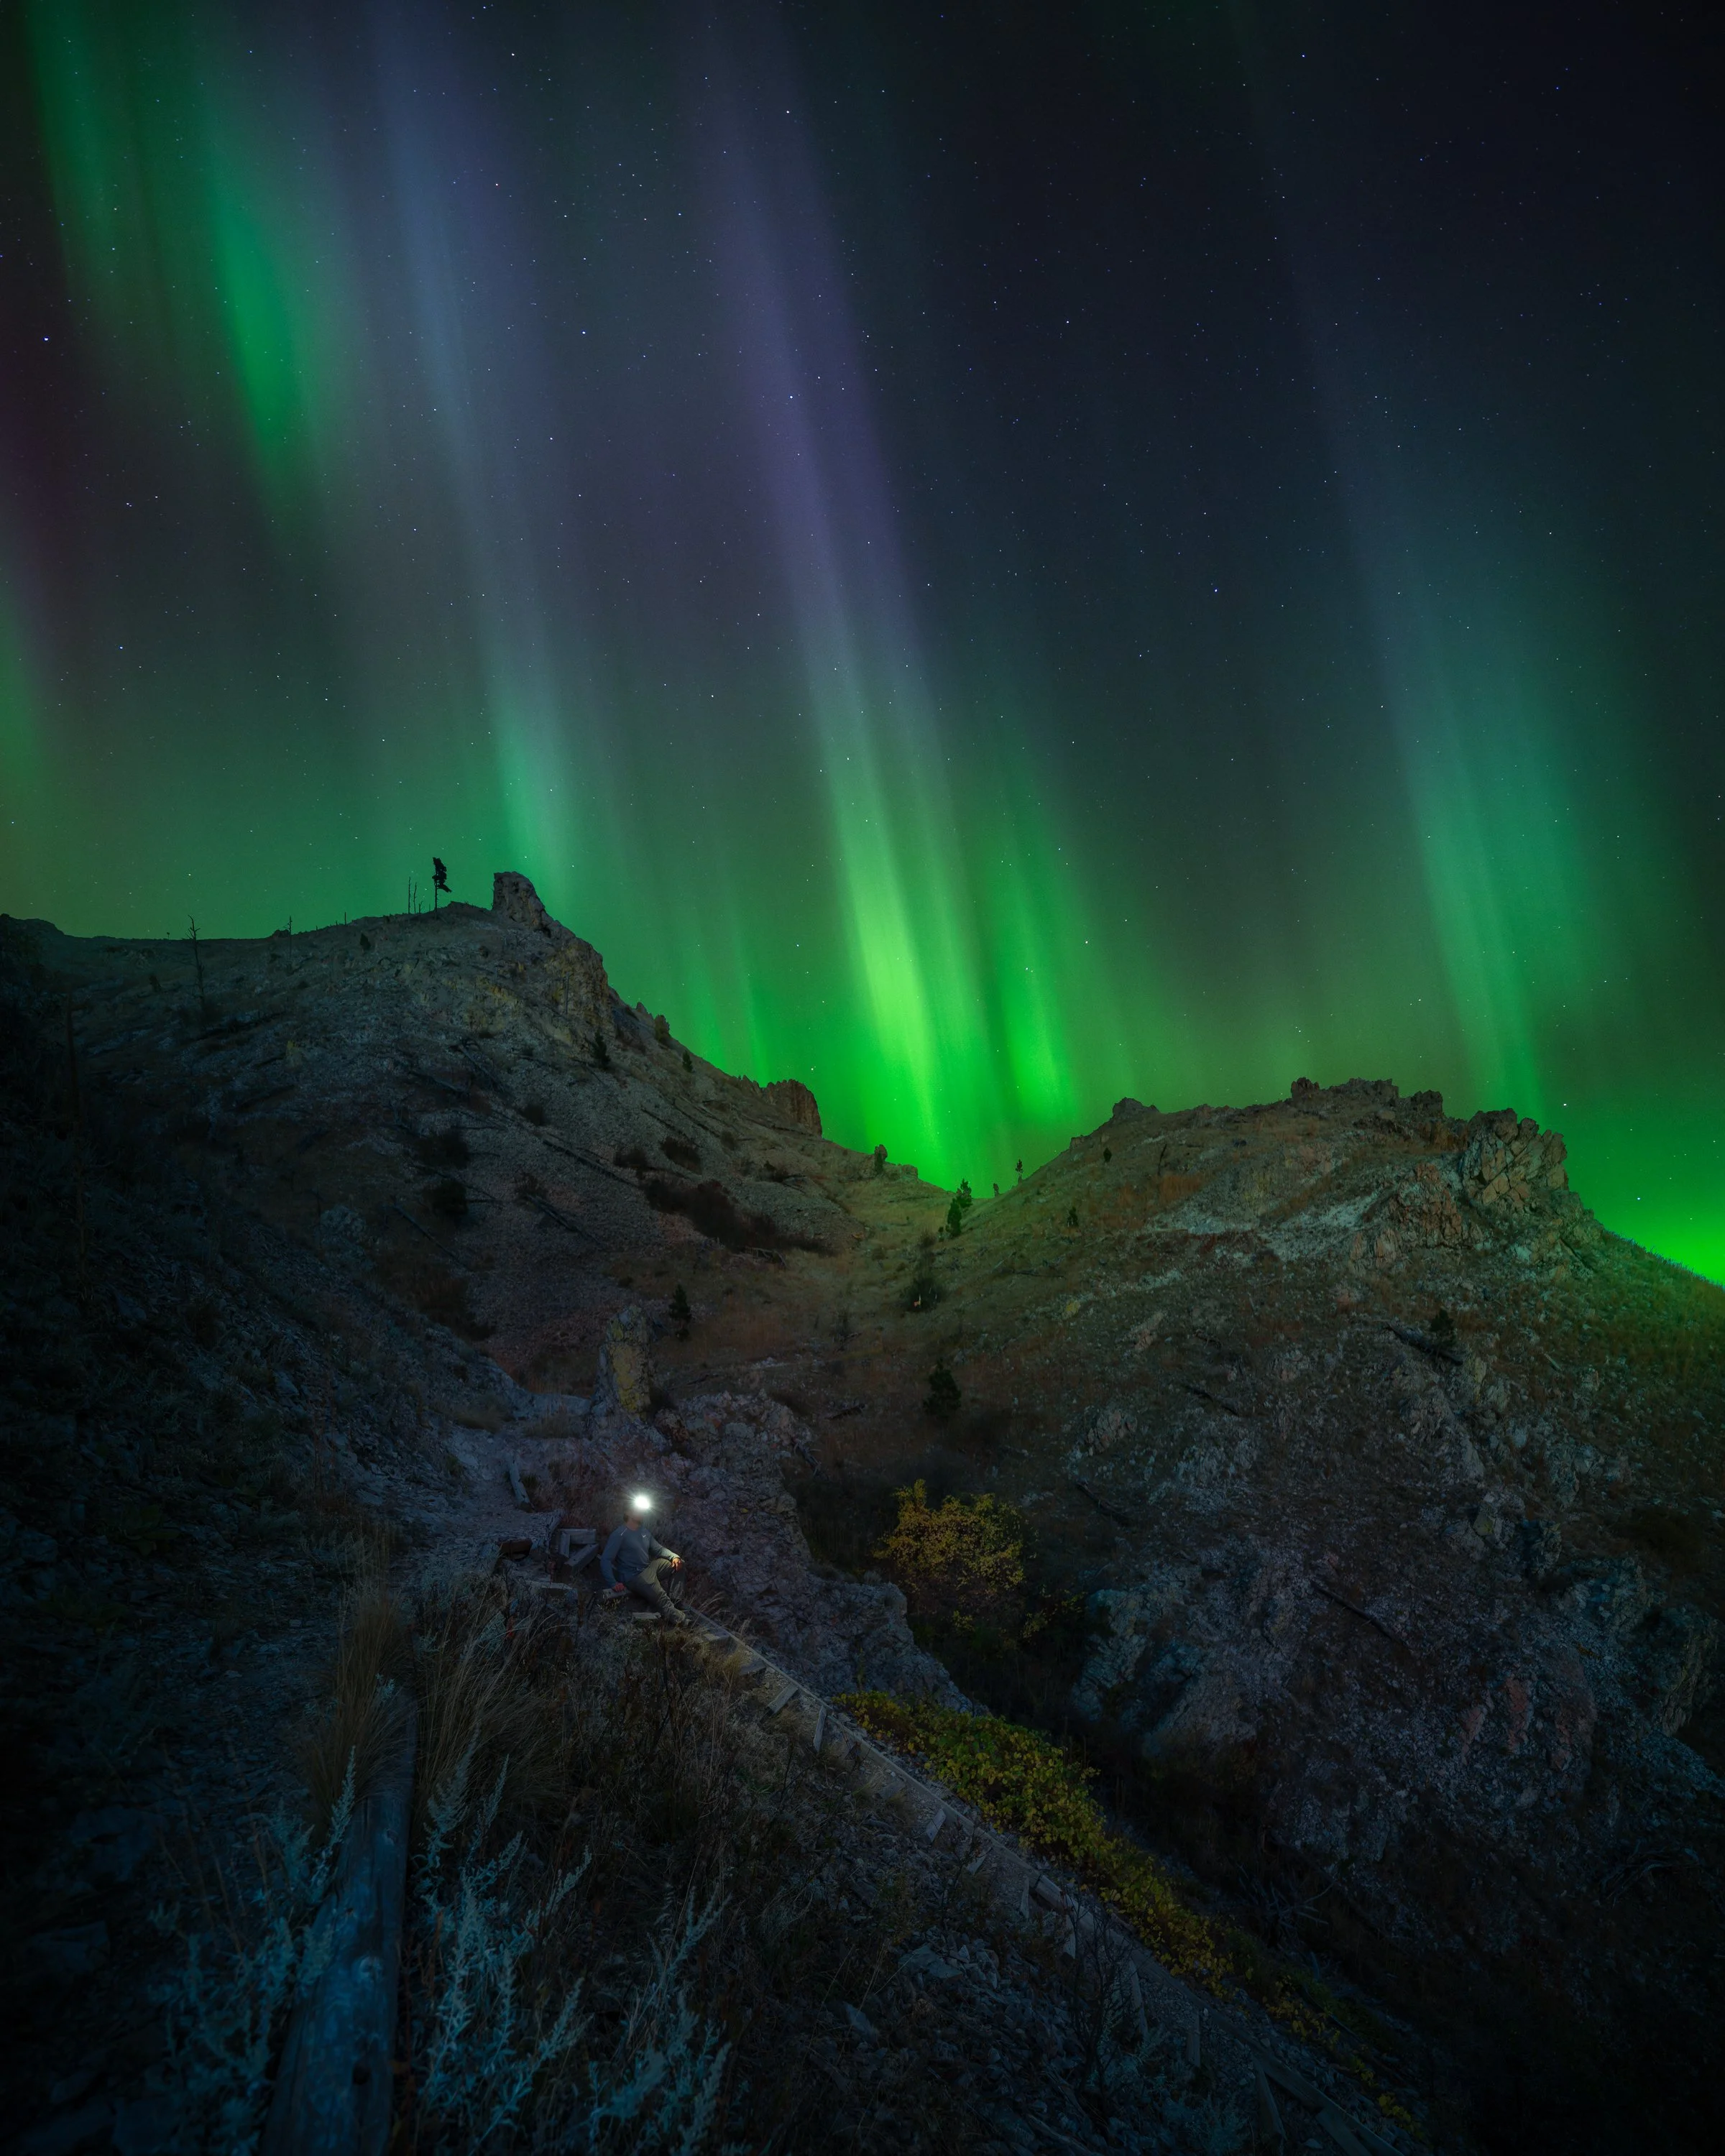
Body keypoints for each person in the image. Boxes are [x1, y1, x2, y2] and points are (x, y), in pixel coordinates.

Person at [600, 1498, 687, 1623]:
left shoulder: (644, 1531)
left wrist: (674, 1557)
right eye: (637, 1509)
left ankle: (676, 1602)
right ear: (628, 1513)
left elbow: (659, 1550)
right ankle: (683, 1622)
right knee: (661, 1597)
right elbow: (606, 1559)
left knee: (679, 1564)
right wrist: (613, 1583)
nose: (641, 1512)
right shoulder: (620, 1534)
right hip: (634, 1576)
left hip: (648, 1568)